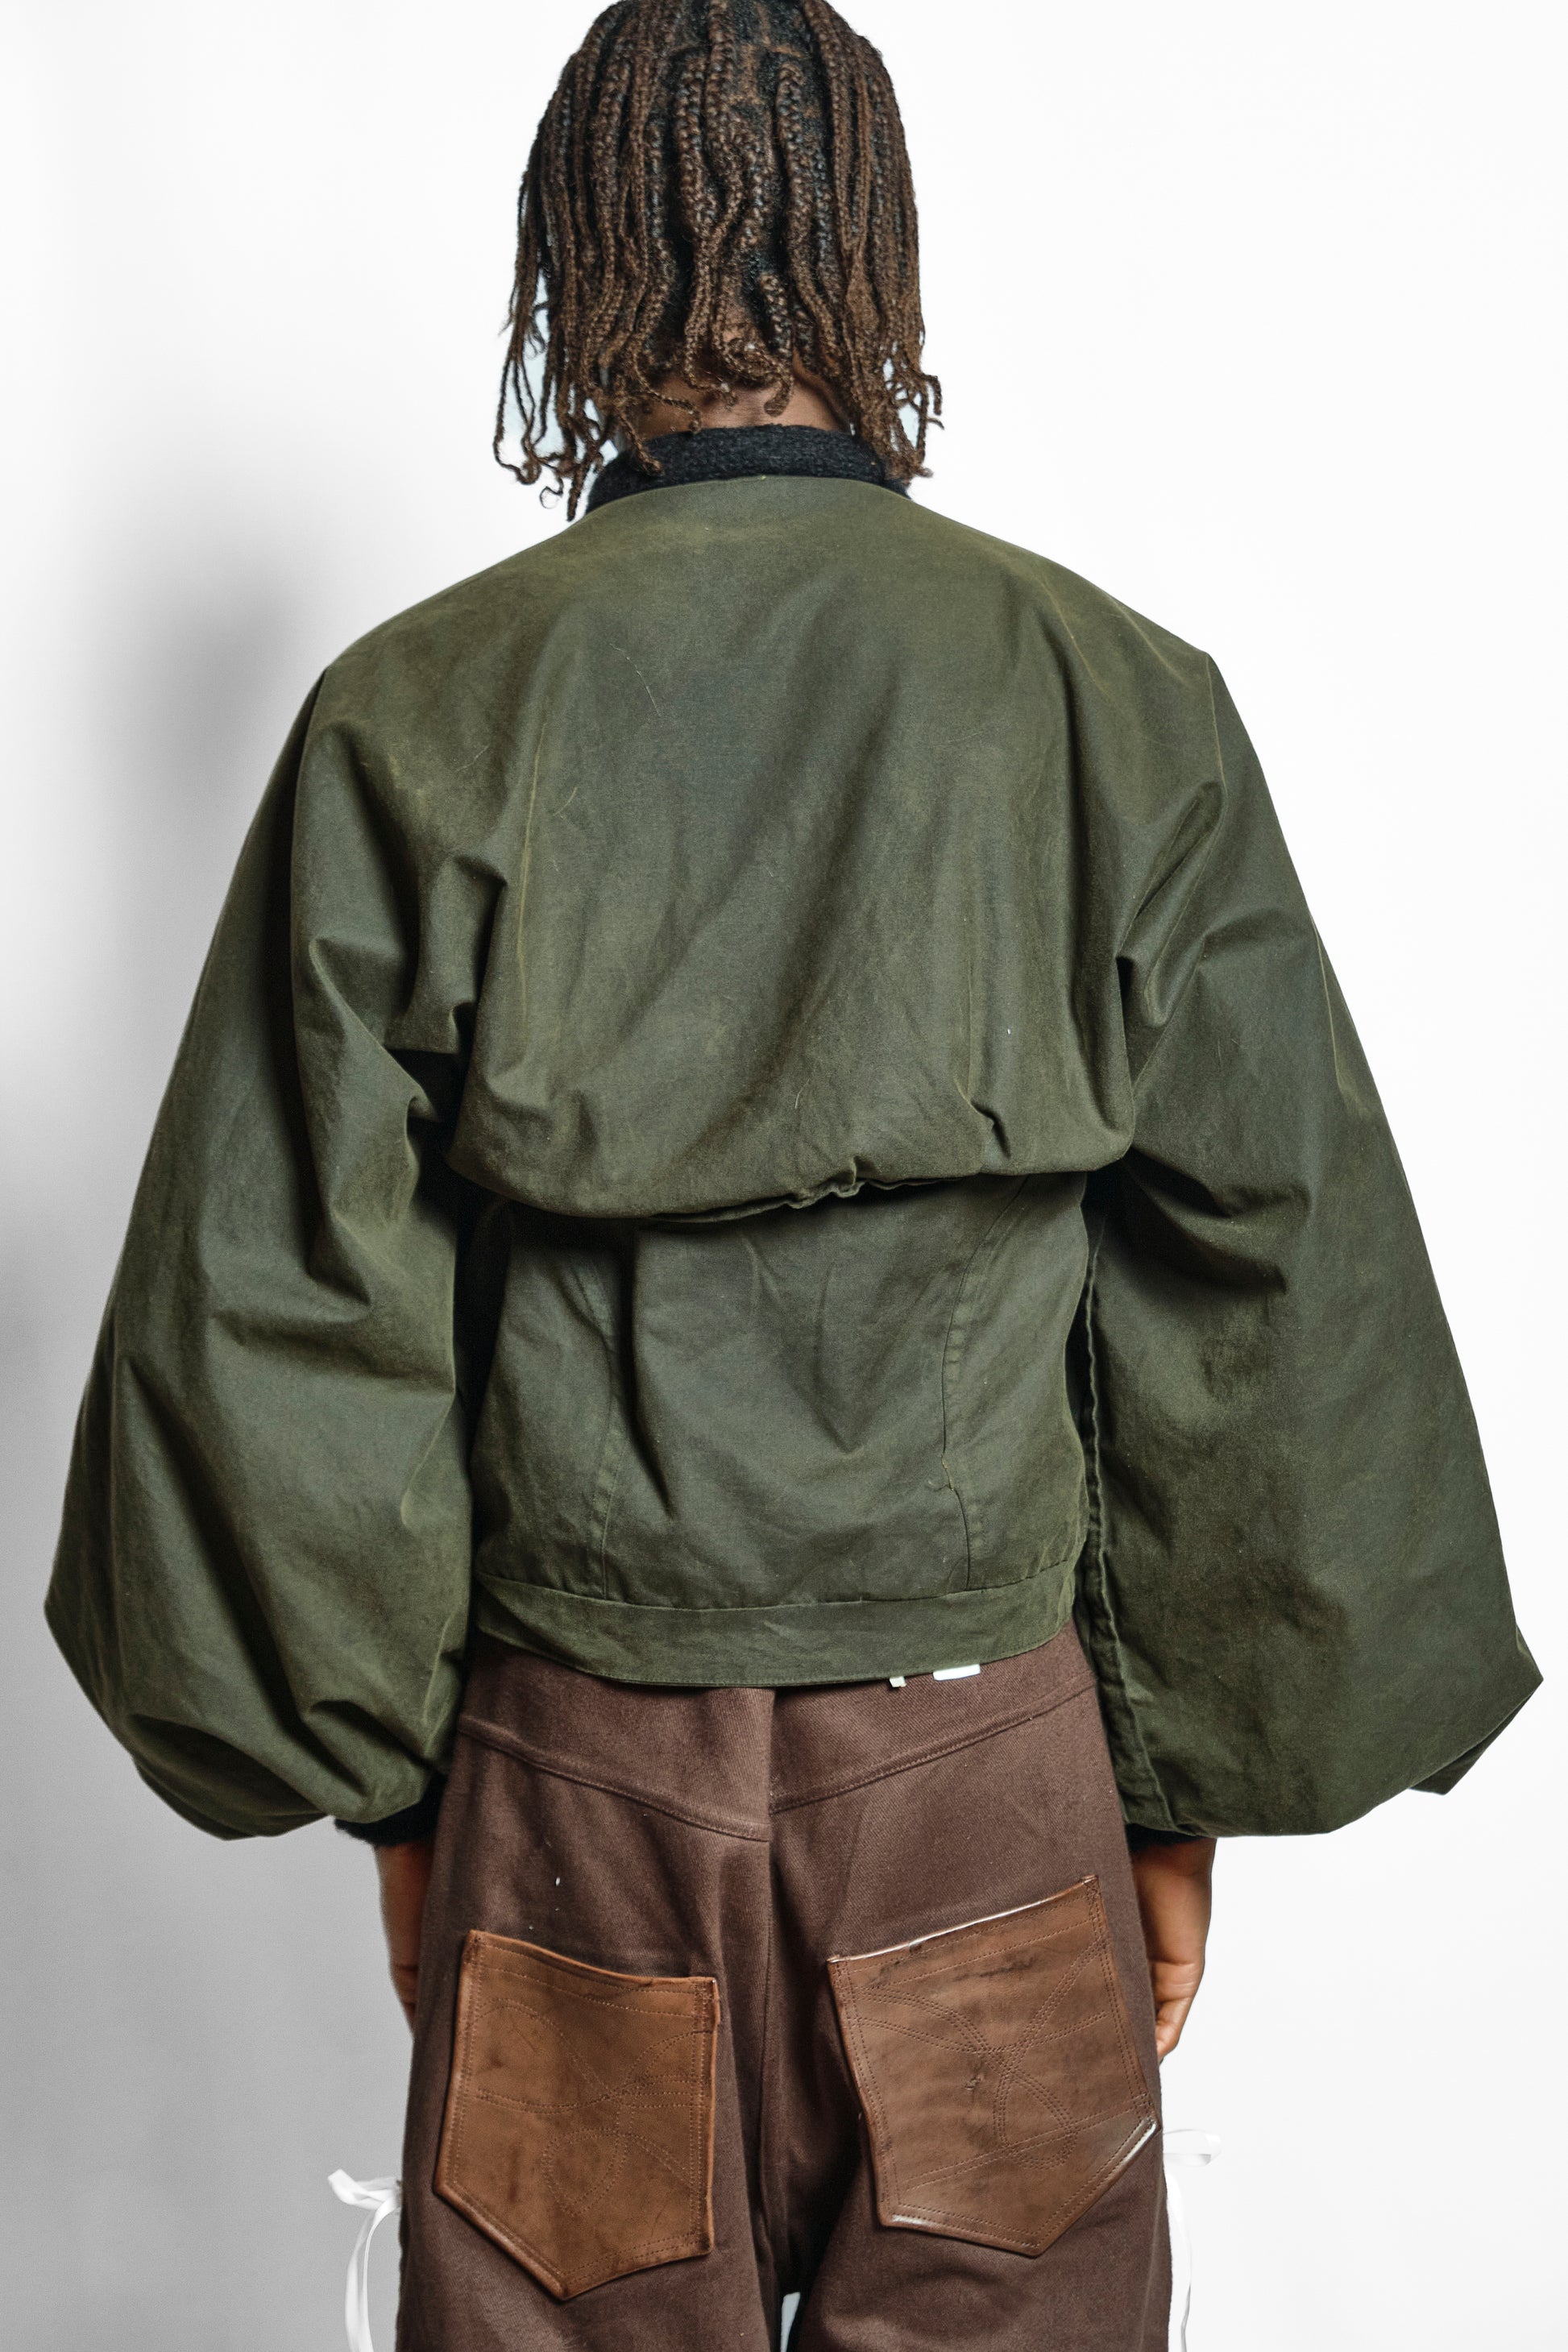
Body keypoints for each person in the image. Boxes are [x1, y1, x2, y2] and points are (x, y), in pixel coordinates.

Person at [47, 2, 1538, 2346]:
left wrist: (399, 1795)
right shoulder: (1113, 698)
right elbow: (1263, 1273)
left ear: (574, 264)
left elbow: (287, 1295)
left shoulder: (417, 714)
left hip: (578, 1781)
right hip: (984, 1784)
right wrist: (1171, 1800)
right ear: (879, 259)